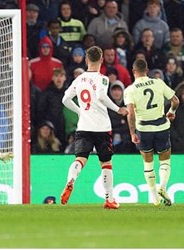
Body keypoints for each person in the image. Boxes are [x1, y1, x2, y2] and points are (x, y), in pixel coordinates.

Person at [60, 45, 128, 209]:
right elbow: (101, 96)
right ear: (102, 60)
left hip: (84, 126)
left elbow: (65, 99)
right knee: (106, 163)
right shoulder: (102, 78)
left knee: (80, 159)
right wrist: (119, 109)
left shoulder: (79, 79)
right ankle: (109, 199)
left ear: (86, 60)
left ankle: (71, 180)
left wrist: (80, 111)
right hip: (102, 127)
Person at [124, 59, 179, 206]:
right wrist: (171, 112)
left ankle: (154, 198)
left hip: (143, 129)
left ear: (133, 72)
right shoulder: (158, 82)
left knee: (148, 164)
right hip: (161, 127)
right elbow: (175, 100)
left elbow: (130, 113)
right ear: (147, 71)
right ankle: (163, 187)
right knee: (165, 161)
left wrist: (132, 133)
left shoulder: (130, 90)